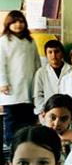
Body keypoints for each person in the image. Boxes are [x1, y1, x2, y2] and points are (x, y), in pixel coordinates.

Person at [0, 10, 41, 146]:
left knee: (27, 123)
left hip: (28, 89)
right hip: (12, 91)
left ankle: (26, 148)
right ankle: (12, 152)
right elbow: (1, 64)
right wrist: (3, 82)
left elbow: (37, 63)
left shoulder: (30, 41)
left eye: (21, 21)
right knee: (12, 123)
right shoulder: (4, 41)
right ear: (8, 24)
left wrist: (39, 82)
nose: (18, 24)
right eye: (14, 22)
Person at [40, 93, 72, 158]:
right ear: (43, 115)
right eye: (53, 118)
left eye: (63, 119)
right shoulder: (38, 135)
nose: (57, 123)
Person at [33, 39, 72, 114]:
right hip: (47, 111)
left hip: (67, 110)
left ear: (62, 53)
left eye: (57, 52)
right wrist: (45, 110)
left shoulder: (71, 70)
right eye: (50, 52)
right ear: (46, 55)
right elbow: (38, 96)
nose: (53, 55)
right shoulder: (41, 72)